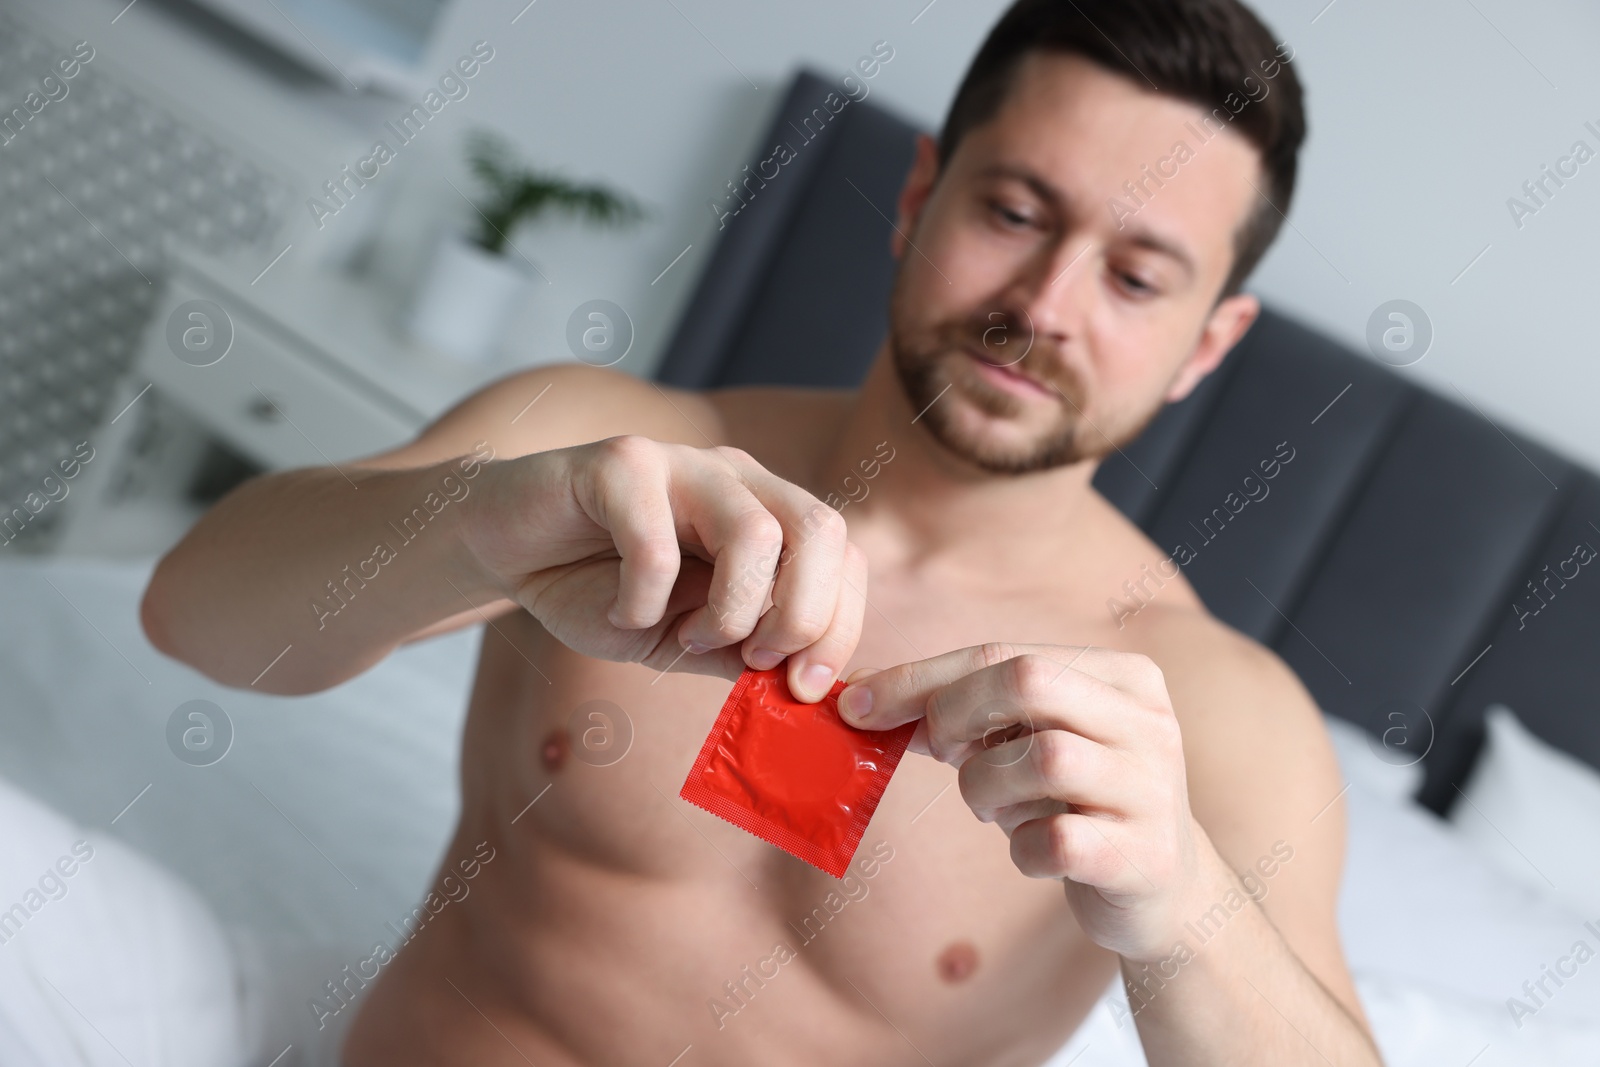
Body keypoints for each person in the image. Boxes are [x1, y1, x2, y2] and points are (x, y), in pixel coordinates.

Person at [141, 0, 1385, 1062]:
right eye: (1013, 211)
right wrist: (478, 522)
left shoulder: (1214, 712)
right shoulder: (604, 448)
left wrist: (1183, 904)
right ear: (916, 195)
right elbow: (189, 614)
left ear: (1205, 344)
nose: (1044, 305)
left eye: (1135, 277)